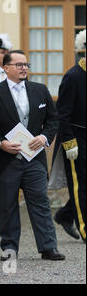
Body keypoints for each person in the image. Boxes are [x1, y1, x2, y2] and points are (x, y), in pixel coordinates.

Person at [0, 50, 65, 261]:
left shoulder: (39, 90)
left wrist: (44, 137)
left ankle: (48, 247)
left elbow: (53, 119)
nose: (24, 68)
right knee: (7, 206)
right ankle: (10, 248)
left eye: (26, 64)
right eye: (19, 64)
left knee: (40, 201)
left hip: (34, 158)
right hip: (5, 159)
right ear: (6, 68)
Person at [49, 29, 86, 242]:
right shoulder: (72, 77)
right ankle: (84, 227)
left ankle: (65, 214)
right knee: (80, 184)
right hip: (77, 138)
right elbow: (62, 114)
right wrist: (69, 142)